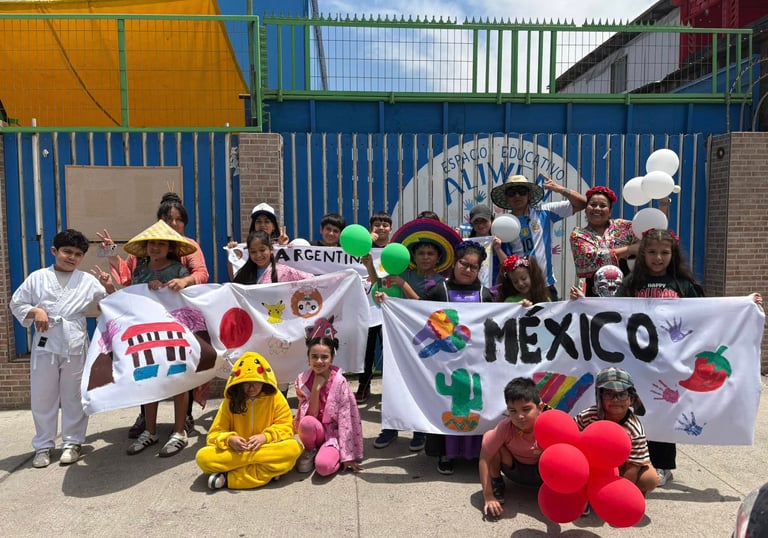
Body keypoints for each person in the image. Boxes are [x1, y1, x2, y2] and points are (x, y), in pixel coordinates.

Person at [98, 192, 210, 438]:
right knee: (146, 364)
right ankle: (145, 417)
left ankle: (185, 417)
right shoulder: (145, 249)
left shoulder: (189, 247)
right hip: (147, 322)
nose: (173, 223)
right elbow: (129, 278)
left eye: (178, 219)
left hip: (179, 321)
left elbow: (201, 273)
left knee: (182, 367)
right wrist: (112, 253)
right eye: (168, 219)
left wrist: (184, 281)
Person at [10, 230, 109, 468]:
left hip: (74, 342)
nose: (72, 257)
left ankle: (72, 442)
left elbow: (108, 304)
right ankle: (43, 445)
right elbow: (17, 302)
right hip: (46, 343)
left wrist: (109, 286)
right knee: (43, 396)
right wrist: (36, 311)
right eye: (67, 252)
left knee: (74, 395)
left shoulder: (87, 280)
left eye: (78, 254)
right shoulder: (38, 277)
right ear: (54, 251)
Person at [369, 218, 460, 451]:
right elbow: (381, 287)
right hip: (399, 340)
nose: (425, 257)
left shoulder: (440, 283)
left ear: (438, 258)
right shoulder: (403, 273)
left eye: (430, 253)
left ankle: (419, 431)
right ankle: (391, 427)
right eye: (421, 253)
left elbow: (427, 309)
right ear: (413, 256)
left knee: (421, 384)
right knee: (394, 383)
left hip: (425, 343)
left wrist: (404, 286)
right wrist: (371, 268)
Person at [115, 220, 199, 457]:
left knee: (179, 379)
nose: (155, 247)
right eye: (152, 243)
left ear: (170, 247)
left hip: (175, 333)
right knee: (148, 378)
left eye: (161, 244)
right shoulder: (139, 271)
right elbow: (132, 296)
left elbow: (190, 296)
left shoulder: (179, 270)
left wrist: (181, 284)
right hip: (146, 334)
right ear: (146, 247)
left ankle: (179, 431)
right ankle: (149, 431)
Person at [423, 240, 494, 474]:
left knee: (474, 404)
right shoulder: (438, 291)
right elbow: (417, 315)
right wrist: (390, 303)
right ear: (455, 263)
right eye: (464, 264)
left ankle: (475, 452)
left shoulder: (485, 295)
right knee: (446, 403)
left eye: (474, 267)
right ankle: (446, 453)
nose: (468, 270)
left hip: (476, 363)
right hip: (444, 363)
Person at [195, 352, 302, 489]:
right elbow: (214, 434)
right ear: (239, 383)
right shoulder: (230, 402)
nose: (251, 388)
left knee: (293, 449)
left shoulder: (276, 397)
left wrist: (265, 437)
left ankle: (228, 478)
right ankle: (268, 471)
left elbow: (286, 427)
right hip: (239, 451)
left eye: (256, 382)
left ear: (264, 381)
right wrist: (230, 439)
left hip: (265, 447)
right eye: (246, 383)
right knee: (203, 457)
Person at [490, 174, 586, 300]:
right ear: (506, 198)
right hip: (519, 289)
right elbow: (506, 262)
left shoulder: (545, 211)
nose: (517, 196)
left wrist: (560, 189)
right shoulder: (503, 224)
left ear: (529, 195)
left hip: (545, 287)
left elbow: (582, 204)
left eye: (522, 191)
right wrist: (497, 248)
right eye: (511, 193)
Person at [575, 367, 658, 497]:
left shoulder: (635, 430)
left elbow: (633, 467)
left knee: (649, 479)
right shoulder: (588, 416)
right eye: (609, 394)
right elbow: (570, 438)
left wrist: (618, 494)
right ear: (599, 397)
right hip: (592, 461)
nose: (615, 400)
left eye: (622, 394)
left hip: (623, 465)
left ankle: (627, 495)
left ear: (631, 399)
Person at [294, 334, 364, 475]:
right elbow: (310, 416)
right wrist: (316, 388)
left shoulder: (340, 383)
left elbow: (345, 420)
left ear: (331, 358)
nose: (319, 361)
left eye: (324, 357)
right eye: (314, 356)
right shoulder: (302, 380)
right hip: (316, 432)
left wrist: (347, 456)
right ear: (308, 358)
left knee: (323, 467)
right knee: (307, 422)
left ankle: (332, 453)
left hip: (334, 435)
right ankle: (311, 449)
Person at [479, 377, 546, 518]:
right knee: (493, 445)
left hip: (541, 475)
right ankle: (497, 482)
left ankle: (556, 492)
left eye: (526, 409)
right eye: (513, 411)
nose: (519, 416)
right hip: (514, 471)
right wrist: (488, 495)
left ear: (540, 408)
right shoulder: (505, 427)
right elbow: (484, 458)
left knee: (559, 453)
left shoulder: (549, 426)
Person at [569, 186, 638, 296]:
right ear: (586, 210)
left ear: (610, 211)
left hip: (626, 290)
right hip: (595, 292)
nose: (597, 208)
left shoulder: (623, 226)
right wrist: (629, 249)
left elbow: (650, 238)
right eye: (593, 204)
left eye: (603, 206)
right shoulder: (578, 235)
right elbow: (592, 258)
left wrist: (664, 204)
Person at [355, 211, 393, 405]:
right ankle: (364, 384)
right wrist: (366, 243)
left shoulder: (395, 250)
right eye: (377, 225)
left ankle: (391, 388)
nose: (381, 228)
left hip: (387, 307)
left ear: (390, 229)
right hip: (366, 308)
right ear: (371, 229)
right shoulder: (359, 249)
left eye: (385, 225)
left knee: (390, 349)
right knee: (366, 349)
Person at [226, 202, 290, 279]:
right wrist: (232, 254)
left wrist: (286, 248)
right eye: (258, 221)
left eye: (267, 221)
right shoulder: (244, 249)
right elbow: (235, 278)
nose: (262, 225)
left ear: (273, 226)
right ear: (254, 225)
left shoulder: (283, 246)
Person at [232, 230, 313, 285]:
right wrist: (231, 252)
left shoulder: (285, 271)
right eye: (253, 252)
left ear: (271, 249)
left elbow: (312, 281)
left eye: (262, 250)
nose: (258, 255)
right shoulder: (244, 274)